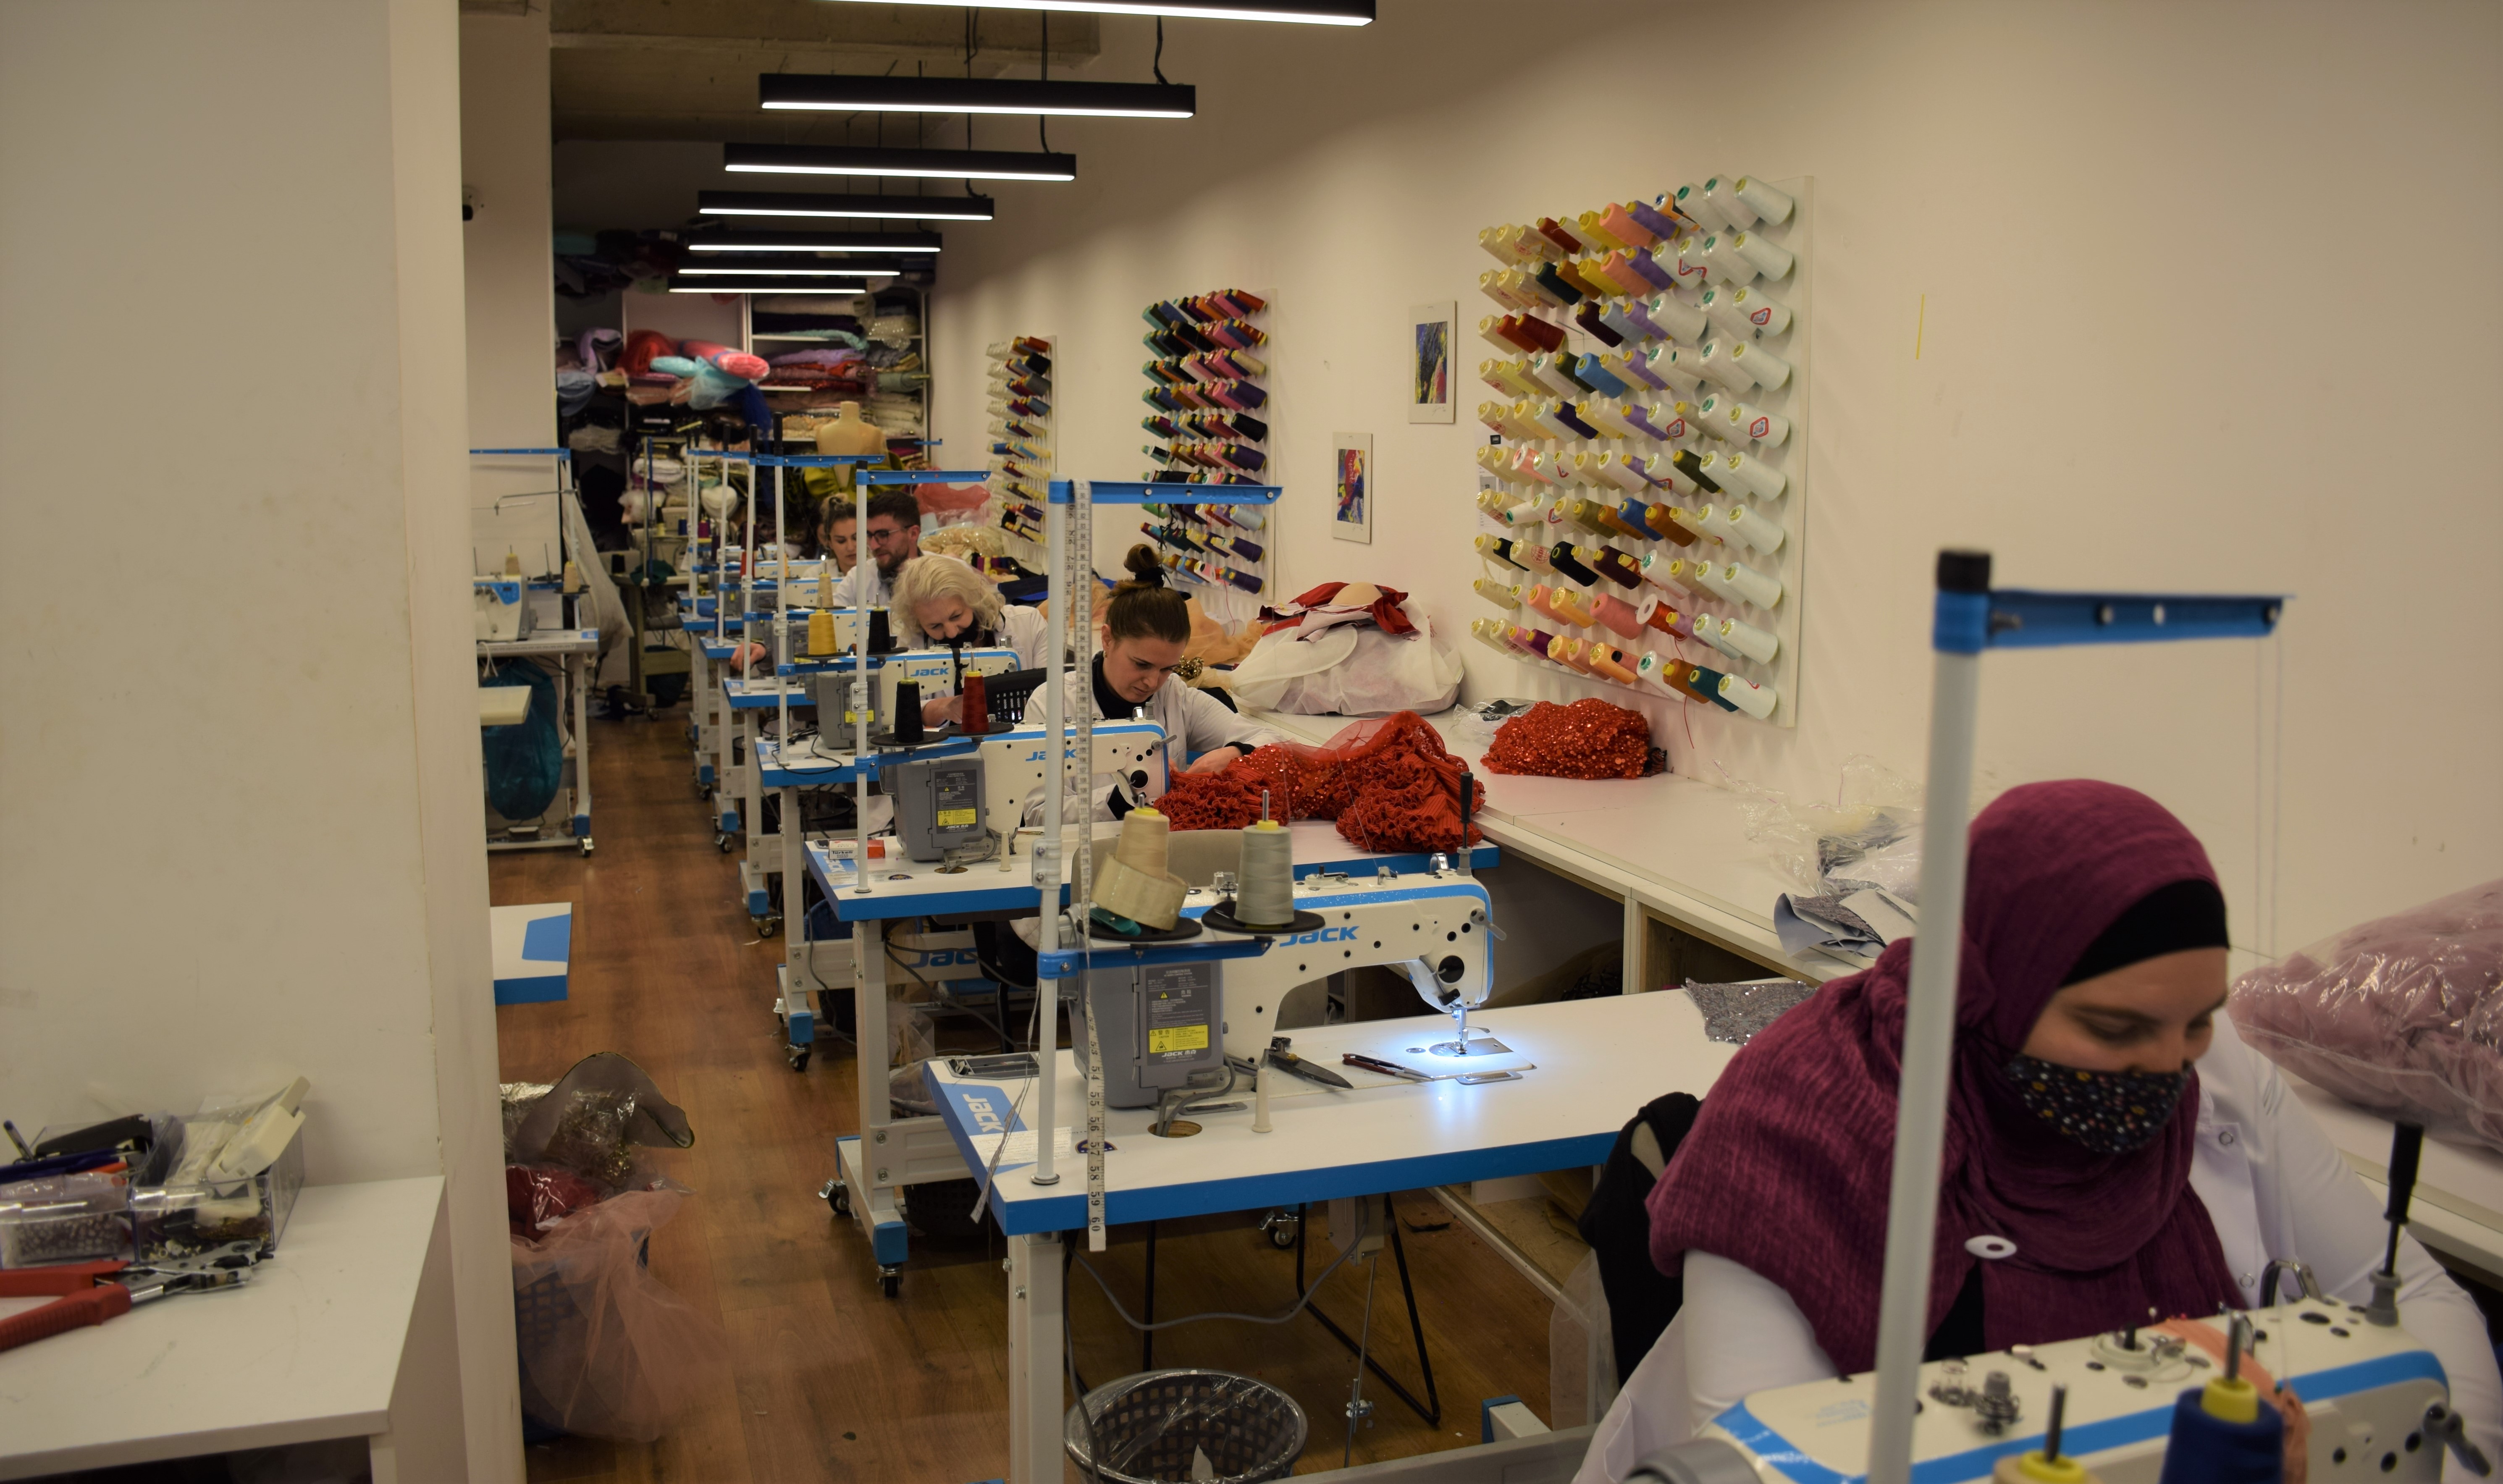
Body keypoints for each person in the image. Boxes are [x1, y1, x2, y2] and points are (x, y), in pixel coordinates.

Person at [1574, 780, 2501, 1482]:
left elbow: (2422, 1299)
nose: (2165, 1068)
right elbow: (1775, 1463)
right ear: (1991, 985)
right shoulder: (1795, 1131)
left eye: (2196, 1021)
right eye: (2113, 1028)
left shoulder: (2213, 1079)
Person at [888, 554, 1050, 726]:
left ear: (974, 600)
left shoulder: (1028, 624)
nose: (951, 633)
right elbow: (900, 711)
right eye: (935, 626)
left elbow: (1050, 697)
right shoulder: (911, 644)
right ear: (918, 622)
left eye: (956, 616)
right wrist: (944, 708)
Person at [827, 487, 920, 609]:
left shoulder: (944, 572)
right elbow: (833, 617)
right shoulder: (858, 578)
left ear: (913, 534)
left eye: (883, 535)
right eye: (869, 535)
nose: (873, 546)